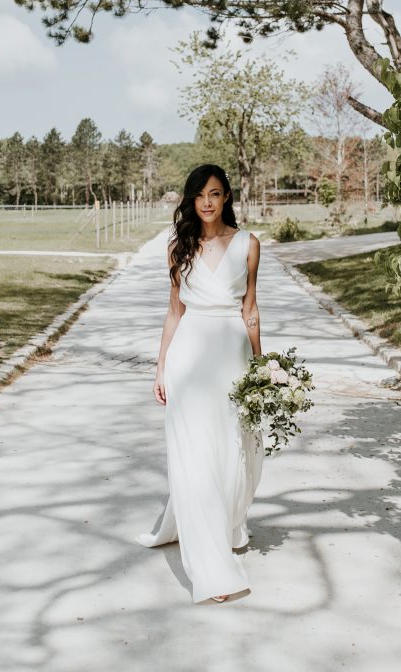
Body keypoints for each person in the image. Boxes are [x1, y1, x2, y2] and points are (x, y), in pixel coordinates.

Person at [136, 163, 264, 604]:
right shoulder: (179, 247)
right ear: (191, 201)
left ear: (227, 195)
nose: (207, 202)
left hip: (232, 358)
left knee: (231, 446)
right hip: (188, 360)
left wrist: (261, 368)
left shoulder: (249, 244)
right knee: (193, 455)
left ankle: (226, 523)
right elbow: (174, 312)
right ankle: (211, 565)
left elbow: (250, 310)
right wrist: (160, 366)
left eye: (214, 193)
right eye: (199, 195)